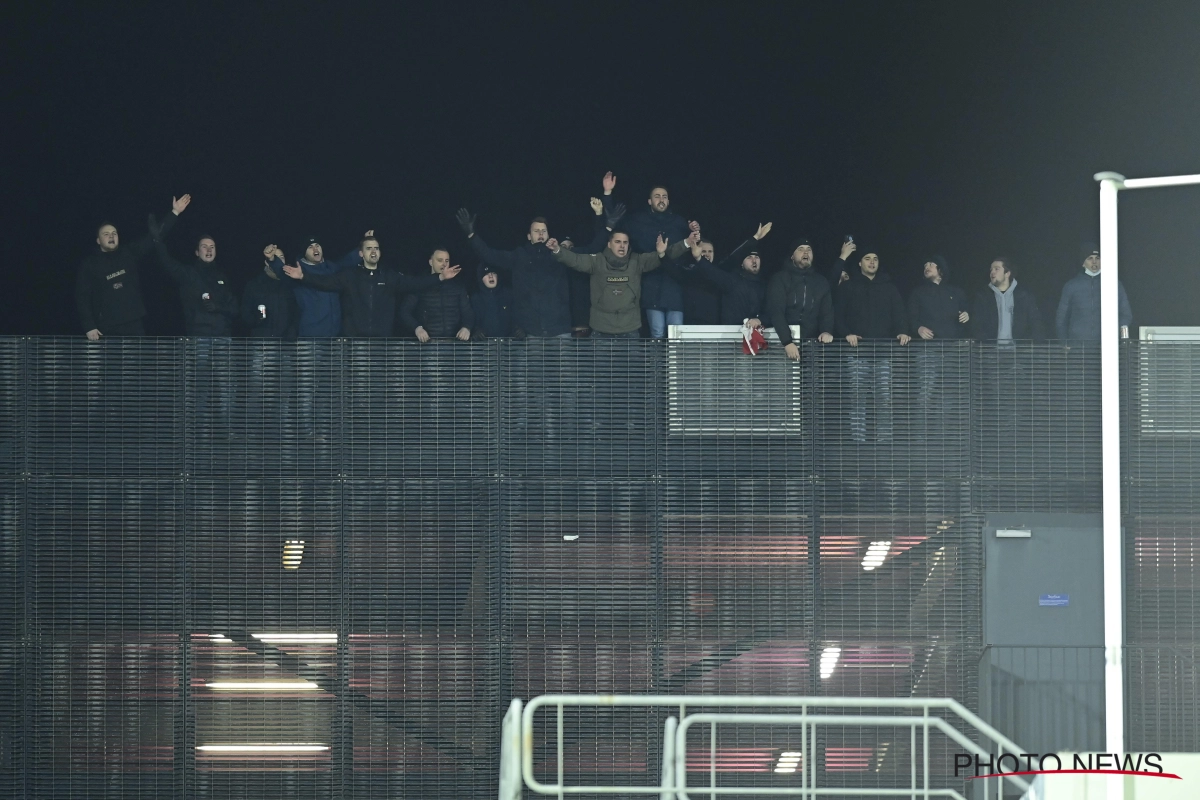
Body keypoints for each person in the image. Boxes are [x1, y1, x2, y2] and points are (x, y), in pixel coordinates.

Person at [281, 235, 459, 336]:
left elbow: (415, 283)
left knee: (378, 392)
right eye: (369, 248)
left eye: (376, 248)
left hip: (382, 345)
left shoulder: (389, 276)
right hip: (355, 345)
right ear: (361, 253)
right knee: (358, 391)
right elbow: (325, 282)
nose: (373, 251)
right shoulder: (349, 275)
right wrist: (303, 276)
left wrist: (440, 277)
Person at [76, 194, 191, 339]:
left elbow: (155, 235)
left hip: (133, 324)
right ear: (98, 240)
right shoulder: (90, 264)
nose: (111, 236)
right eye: (106, 234)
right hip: (106, 327)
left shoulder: (128, 253)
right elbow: (82, 297)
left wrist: (175, 213)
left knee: (135, 361)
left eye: (114, 233)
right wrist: (89, 326)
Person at [545, 230, 695, 337]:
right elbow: (575, 260)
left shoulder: (637, 261)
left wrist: (687, 243)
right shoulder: (597, 261)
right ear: (609, 244)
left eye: (625, 242)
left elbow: (665, 254)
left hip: (630, 330)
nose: (622, 246)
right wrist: (558, 250)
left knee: (630, 380)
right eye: (618, 242)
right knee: (601, 380)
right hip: (601, 330)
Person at [602, 173, 694, 337]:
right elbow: (613, 223)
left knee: (677, 334)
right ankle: (657, 364)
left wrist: (694, 230)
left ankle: (677, 364)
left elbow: (694, 247)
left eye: (664, 196)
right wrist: (607, 195)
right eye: (657, 196)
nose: (661, 199)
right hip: (650, 284)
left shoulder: (679, 222)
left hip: (674, 285)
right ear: (649, 201)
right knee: (657, 332)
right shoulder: (637, 221)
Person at [833, 247, 910, 443]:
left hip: (883, 355)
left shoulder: (889, 287)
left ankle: (884, 443)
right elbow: (838, 316)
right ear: (860, 263)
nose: (872, 262)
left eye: (875, 258)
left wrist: (902, 330)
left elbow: (899, 314)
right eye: (867, 259)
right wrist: (846, 334)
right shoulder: (848, 287)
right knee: (857, 401)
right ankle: (859, 443)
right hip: (857, 354)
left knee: (884, 400)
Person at [457, 209, 571, 338]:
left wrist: (568, 244)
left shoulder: (559, 255)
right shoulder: (519, 256)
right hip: (532, 330)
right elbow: (489, 255)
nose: (540, 233)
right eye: (536, 231)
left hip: (560, 328)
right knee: (534, 359)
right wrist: (472, 236)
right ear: (529, 236)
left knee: (566, 359)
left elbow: (584, 257)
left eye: (544, 231)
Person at [267, 236, 360, 337]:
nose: (315, 249)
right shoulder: (299, 272)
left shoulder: (331, 268)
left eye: (317, 245)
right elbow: (282, 272)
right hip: (311, 338)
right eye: (310, 247)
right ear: (304, 252)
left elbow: (348, 261)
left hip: (334, 338)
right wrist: (272, 260)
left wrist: (365, 246)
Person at [683, 223, 773, 325]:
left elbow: (773, 313)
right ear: (741, 264)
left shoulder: (765, 285)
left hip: (756, 337)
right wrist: (699, 258)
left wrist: (759, 320)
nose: (754, 260)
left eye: (756, 257)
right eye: (749, 257)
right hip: (730, 335)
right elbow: (715, 270)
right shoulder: (731, 280)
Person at [763, 237, 836, 361]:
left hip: (812, 346)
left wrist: (826, 331)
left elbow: (827, 312)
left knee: (812, 380)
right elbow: (776, 312)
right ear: (792, 256)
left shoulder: (821, 281)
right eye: (800, 249)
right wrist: (787, 342)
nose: (806, 252)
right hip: (782, 344)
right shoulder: (780, 279)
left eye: (809, 249)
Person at [155, 234, 237, 336]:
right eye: (204, 246)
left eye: (212, 247)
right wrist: (158, 242)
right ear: (197, 252)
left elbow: (234, 308)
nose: (209, 250)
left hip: (222, 336)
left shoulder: (223, 277)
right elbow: (168, 264)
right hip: (199, 336)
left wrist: (218, 307)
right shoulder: (189, 274)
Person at [1055, 243, 1132, 341]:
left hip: (1107, 346)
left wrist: (1118, 337)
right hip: (1079, 346)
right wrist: (1064, 342)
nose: (1094, 261)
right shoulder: (1071, 286)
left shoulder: (1114, 284)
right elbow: (1061, 318)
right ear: (1083, 263)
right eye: (1090, 258)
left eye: (1098, 258)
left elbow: (1126, 314)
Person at [400, 249, 474, 341]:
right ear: (431, 262)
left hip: (454, 346)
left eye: (447, 261)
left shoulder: (457, 286)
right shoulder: (420, 284)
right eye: (440, 260)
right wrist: (417, 328)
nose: (444, 264)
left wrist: (466, 327)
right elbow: (404, 312)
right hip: (427, 345)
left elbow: (468, 313)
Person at [971, 258, 1045, 342]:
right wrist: (985, 343)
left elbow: (1036, 322)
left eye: (997, 269)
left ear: (1007, 273)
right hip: (992, 351)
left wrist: (1029, 346)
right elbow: (976, 324)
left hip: (1017, 352)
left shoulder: (1024, 295)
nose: (992, 272)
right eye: (991, 269)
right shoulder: (983, 296)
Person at [908, 256, 970, 340]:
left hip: (954, 346)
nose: (926, 267)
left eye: (931, 264)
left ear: (941, 268)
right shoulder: (918, 293)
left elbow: (968, 310)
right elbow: (912, 318)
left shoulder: (956, 292)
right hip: (928, 346)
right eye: (925, 266)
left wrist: (967, 314)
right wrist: (918, 328)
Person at [242, 250, 299, 338]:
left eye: (281, 257)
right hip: (262, 342)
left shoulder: (291, 284)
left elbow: (298, 313)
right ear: (266, 262)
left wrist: (292, 333)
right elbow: (245, 314)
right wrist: (257, 320)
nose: (278, 261)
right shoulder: (254, 285)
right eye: (274, 257)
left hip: (286, 344)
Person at [471, 264, 514, 338]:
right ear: (481, 279)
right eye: (486, 274)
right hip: (484, 346)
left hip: (507, 345)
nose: (491, 276)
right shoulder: (475, 298)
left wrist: (518, 329)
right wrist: (475, 331)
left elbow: (517, 317)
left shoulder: (508, 295)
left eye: (493, 273)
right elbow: (470, 320)